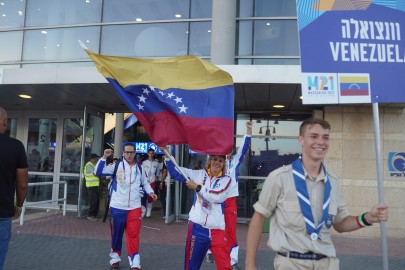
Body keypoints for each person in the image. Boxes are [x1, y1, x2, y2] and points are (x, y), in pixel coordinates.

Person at [245, 118, 389, 270]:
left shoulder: (332, 181)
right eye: (314, 136)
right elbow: (259, 218)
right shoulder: (279, 178)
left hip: (327, 263)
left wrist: (367, 218)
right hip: (291, 264)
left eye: (325, 137)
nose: (321, 142)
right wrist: (250, 265)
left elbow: (340, 224)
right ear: (301, 140)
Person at [163, 149, 232, 270]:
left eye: (221, 160)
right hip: (197, 228)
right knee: (191, 267)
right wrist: (168, 155)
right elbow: (176, 171)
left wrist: (197, 187)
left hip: (217, 230)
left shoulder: (227, 180)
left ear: (224, 164)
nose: (217, 162)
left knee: (225, 266)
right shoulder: (199, 174)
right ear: (210, 161)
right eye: (215, 159)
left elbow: (216, 197)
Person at [95, 143, 157, 270]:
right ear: (123, 153)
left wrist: (151, 192)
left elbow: (145, 183)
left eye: (131, 152)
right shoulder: (116, 166)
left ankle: (135, 261)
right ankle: (115, 258)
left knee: (133, 235)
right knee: (116, 234)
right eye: (127, 152)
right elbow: (98, 171)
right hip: (117, 206)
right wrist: (103, 158)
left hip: (134, 207)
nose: (129, 155)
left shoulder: (140, 168)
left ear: (135, 153)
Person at [0, 107, 28, 270]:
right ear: (5, 122)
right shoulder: (15, 146)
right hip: (2, 212)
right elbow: (22, 184)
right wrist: (18, 205)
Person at [141, 148, 159, 217]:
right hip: (145, 181)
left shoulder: (156, 163)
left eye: (152, 153)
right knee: (143, 196)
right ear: (148, 154)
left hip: (152, 181)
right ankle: (143, 210)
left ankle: (149, 210)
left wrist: (156, 178)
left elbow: (157, 173)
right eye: (150, 153)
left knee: (150, 196)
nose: (151, 154)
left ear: (153, 154)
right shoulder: (144, 162)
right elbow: (142, 172)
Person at [84, 153, 101, 221]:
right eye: (96, 158)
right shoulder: (89, 165)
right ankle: (90, 215)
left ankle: (94, 215)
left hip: (94, 185)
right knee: (93, 201)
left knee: (96, 201)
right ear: (92, 159)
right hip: (91, 186)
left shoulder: (93, 165)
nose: (97, 159)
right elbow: (96, 173)